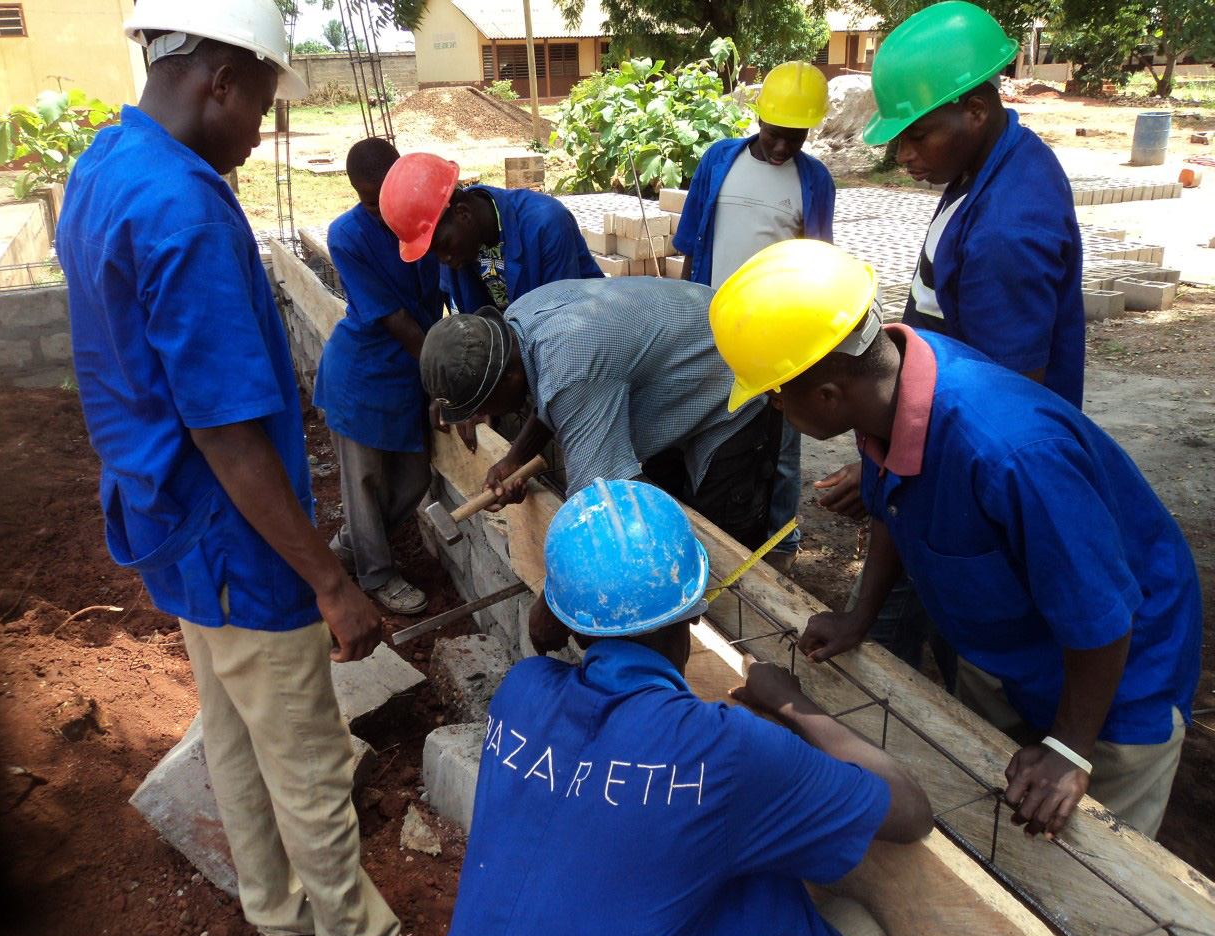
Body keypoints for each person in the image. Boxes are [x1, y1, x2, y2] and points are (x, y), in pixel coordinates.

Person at [55, 3, 433, 936]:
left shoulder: (106, 165)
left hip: (171, 523)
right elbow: (228, 435)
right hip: (238, 534)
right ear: (218, 77)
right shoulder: (183, 208)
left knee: (231, 732)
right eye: (263, 101)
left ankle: (278, 923)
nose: (263, 128)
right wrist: (332, 581)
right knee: (307, 763)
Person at [710, 239, 1201, 839]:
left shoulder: (1011, 454)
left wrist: (1072, 750)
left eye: (774, 396)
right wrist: (860, 614)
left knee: (1089, 858)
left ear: (827, 395)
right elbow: (899, 498)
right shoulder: (890, 392)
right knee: (987, 809)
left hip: (1116, 681)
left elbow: (1102, 609)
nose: (776, 412)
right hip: (1007, 647)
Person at [441, 477, 933, 936]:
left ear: (567, 618)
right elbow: (910, 811)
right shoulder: (725, 749)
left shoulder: (520, 691)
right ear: (695, 609)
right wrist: (791, 703)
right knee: (855, 928)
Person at [815, 1, 1087, 679]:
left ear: (975, 107)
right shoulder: (984, 167)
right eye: (898, 139)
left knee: (941, 641)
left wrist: (889, 467)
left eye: (918, 135)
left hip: (959, 473)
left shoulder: (1006, 229)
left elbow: (1004, 404)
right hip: (930, 455)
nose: (903, 155)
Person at [418, 277, 780, 551]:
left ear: (508, 378)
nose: (481, 415)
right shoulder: (522, 319)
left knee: (716, 540)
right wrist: (514, 458)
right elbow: (553, 398)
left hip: (734, 383)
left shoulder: (571, 368)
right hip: (693, 352)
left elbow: (603, 499)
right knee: (669, 500)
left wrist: (552, 601)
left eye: (482, 405)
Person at [674, 60, 836, 575]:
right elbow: (691, 245)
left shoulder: (814, 181)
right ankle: (709, 526)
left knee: (784, 442)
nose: (783, 147)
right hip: (713, 321)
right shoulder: (719, 162)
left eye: (796, 137)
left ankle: (782, 543)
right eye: (774, 134)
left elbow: (816, 262)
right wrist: (684, 312)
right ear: (758, 119)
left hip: (778, 332)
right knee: (707, 427)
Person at [315, 138, 442, 616]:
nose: (382, 209)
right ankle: (376, 573)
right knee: (364, 483)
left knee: (412, 480)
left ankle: (350, 547)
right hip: (364, 372)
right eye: (370, 201)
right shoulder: (347, 235)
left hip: (410, 367)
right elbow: (398, 322)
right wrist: (444, 380)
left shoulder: (422, 214)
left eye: (386, 195)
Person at [378, 152, 602, 316]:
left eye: (443, 246)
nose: (443, 260)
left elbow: (563, 322)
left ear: (462, 213)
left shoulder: (546, 224)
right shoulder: (456, 249)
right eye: (434, 253)